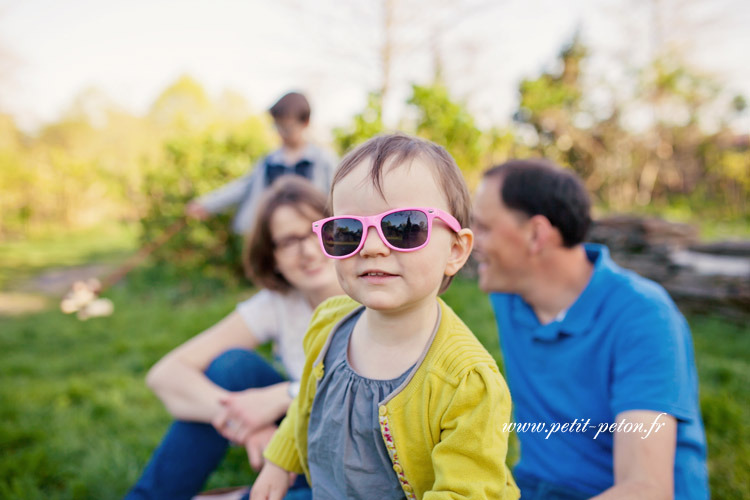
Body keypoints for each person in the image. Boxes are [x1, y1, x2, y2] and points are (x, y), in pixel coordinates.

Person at [250, 134, 520, 500]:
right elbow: (307, 405)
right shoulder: (330, 322)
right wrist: (279, 463)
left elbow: (466, 492)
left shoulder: (466, 383)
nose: (373, 247)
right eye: (348, 232)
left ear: (456, 250)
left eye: (404, 228)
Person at [471, 159, 709, 500]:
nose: (469, 239)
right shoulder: (509, 291)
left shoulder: (644, 316)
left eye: (483, 227)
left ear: (536, 235)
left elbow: (646, 489)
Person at [125, 177, 343, 500]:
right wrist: (247, 422)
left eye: (318, 230)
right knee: (233, 366)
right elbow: (165, 376)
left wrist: (286, 395)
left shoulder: (371, 290)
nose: (309, 250)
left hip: (360, 461)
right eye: (288, 241)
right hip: (304, 443)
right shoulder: (279, 302)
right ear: (274, 259)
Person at [185, 91, 337, 235]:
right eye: (278, 126)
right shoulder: (269, 161)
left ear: (305, 123)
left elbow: (336, 194)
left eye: (287, 128)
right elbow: (242, 187)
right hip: (272, 235)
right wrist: (206, 204)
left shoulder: (323, 161)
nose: (282, 133)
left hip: (310, 234)